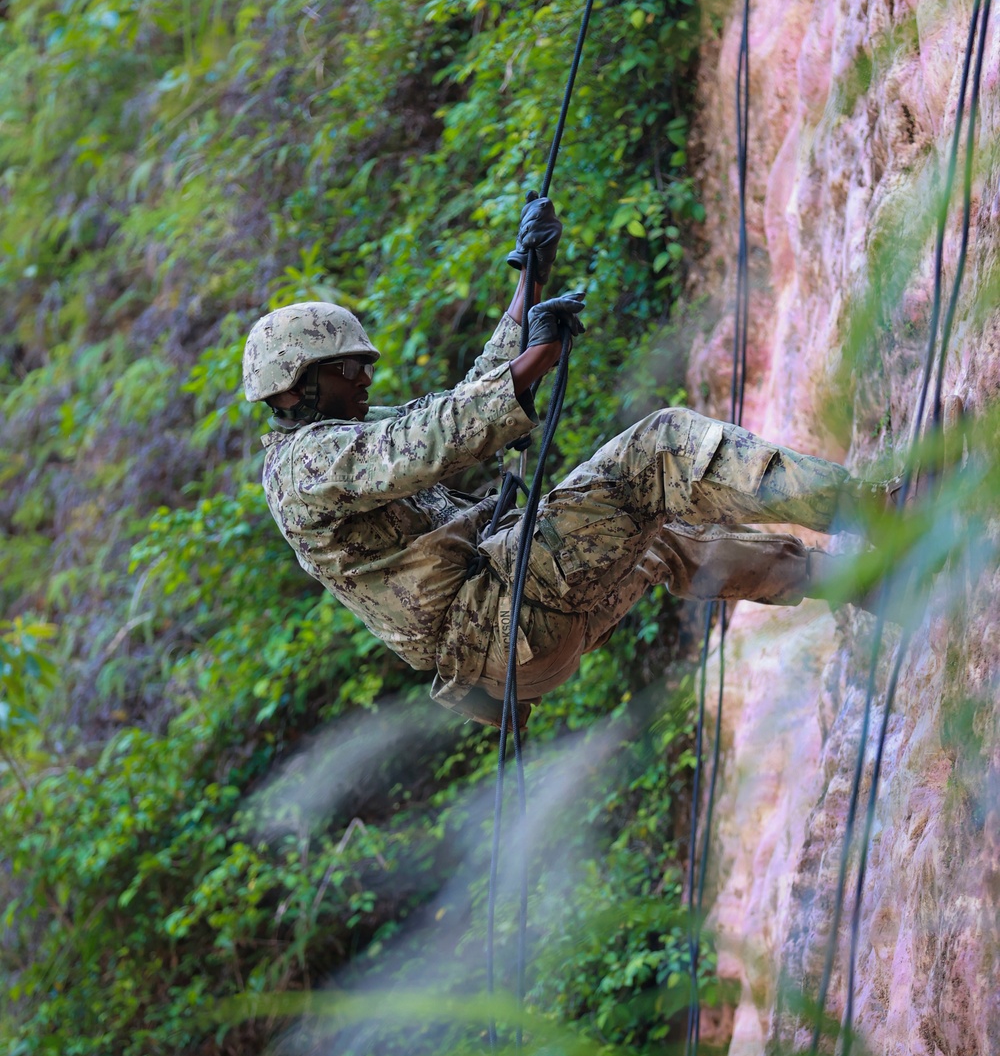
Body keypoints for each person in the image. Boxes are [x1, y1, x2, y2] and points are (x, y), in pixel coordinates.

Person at [243, 199, 882, 725]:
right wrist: (538, 359)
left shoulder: (342, 437)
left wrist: (529, 287)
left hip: (518, 635)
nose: (364, 380)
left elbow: (458, 401)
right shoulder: (309, 467)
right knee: (657, 450)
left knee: (656, 539)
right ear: (297, 384)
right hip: (505, 616)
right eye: (350, 368)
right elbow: (438, 438)